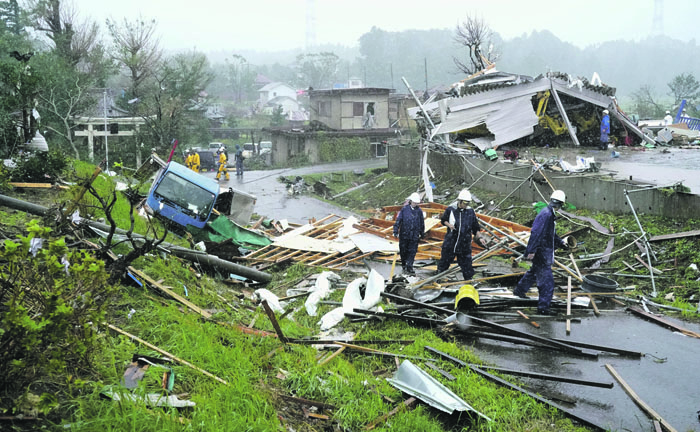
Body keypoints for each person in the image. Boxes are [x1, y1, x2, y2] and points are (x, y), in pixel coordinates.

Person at [512, 190, 570, 315]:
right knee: (547, 282)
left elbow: (550, 234)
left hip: (542, 251)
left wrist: (560, 242)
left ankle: (519, 291)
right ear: (560, 204)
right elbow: (536, 233)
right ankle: (543, 308)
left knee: (533, 273)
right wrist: (531, 251)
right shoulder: (547, 215)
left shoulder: (548, 213)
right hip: (542, 253)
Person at [436, 189, 487, 281]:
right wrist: (449, 225)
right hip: (451, 242)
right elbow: (443, 220)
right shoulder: (451, 209)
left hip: (464, 244)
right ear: (459, 201)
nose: (466, 205)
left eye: (468, 203)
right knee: (444, 262)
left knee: (467, 265)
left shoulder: (470, 212)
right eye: (464, 202)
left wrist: (480, 238)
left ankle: (468, 282)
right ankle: (438, 279)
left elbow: (475, 228)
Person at [392, 192, 425, 276]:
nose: (415, 204)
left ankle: (409, 266)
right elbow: (398, 220)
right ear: (410, 201)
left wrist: (422, 233)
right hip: (404, 234)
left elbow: (421, 223)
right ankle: (404, 265)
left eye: (417, 203)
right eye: (414, 203)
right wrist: (395, 230)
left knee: (412, 251)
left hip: (414, 235)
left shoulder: (419, 211)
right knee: (403, 251)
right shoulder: (404, 209)